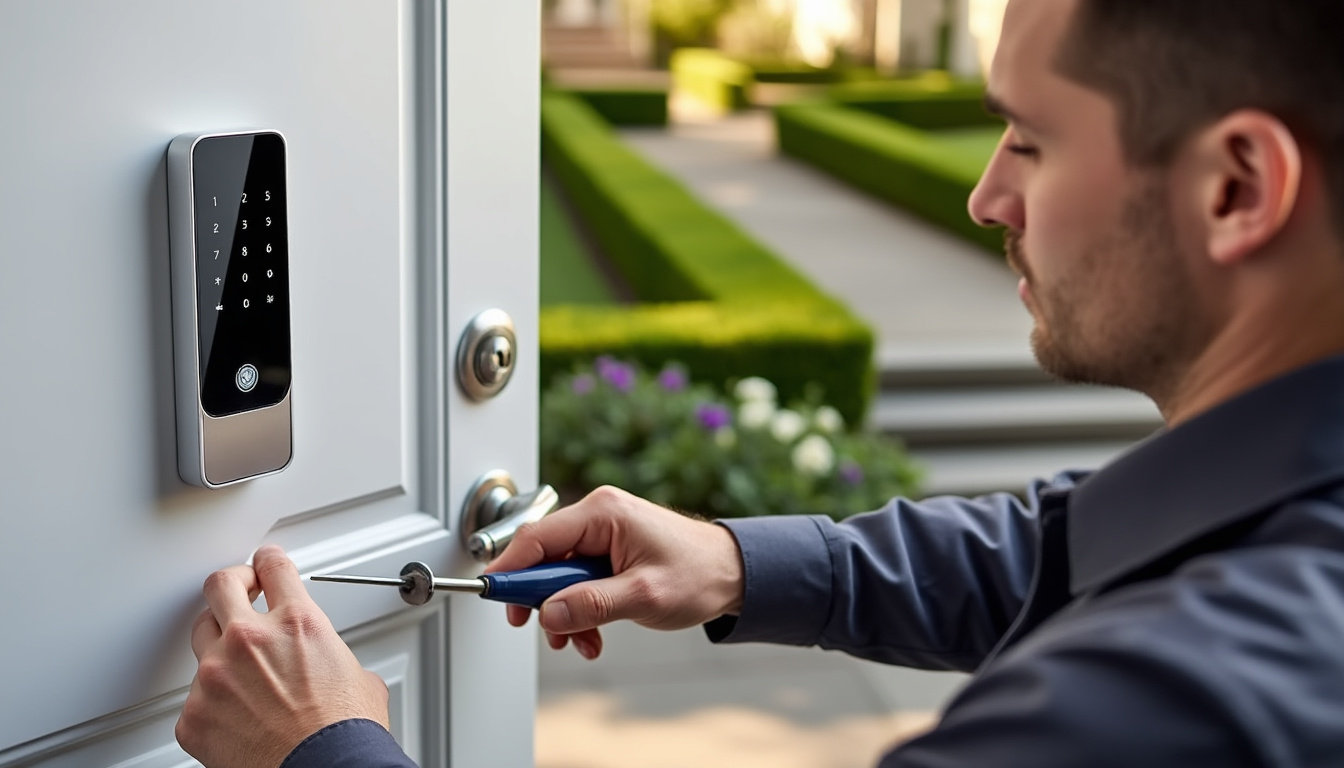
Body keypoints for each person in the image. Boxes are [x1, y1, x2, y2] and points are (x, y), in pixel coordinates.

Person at [175, 0, 1344, 765]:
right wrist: (739, 564)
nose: (987, 197)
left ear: (1237, 188)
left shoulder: (1150, 713)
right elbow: (1061, 551)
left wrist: (324, 748)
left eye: (1029, 138)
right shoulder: (1277, 515)